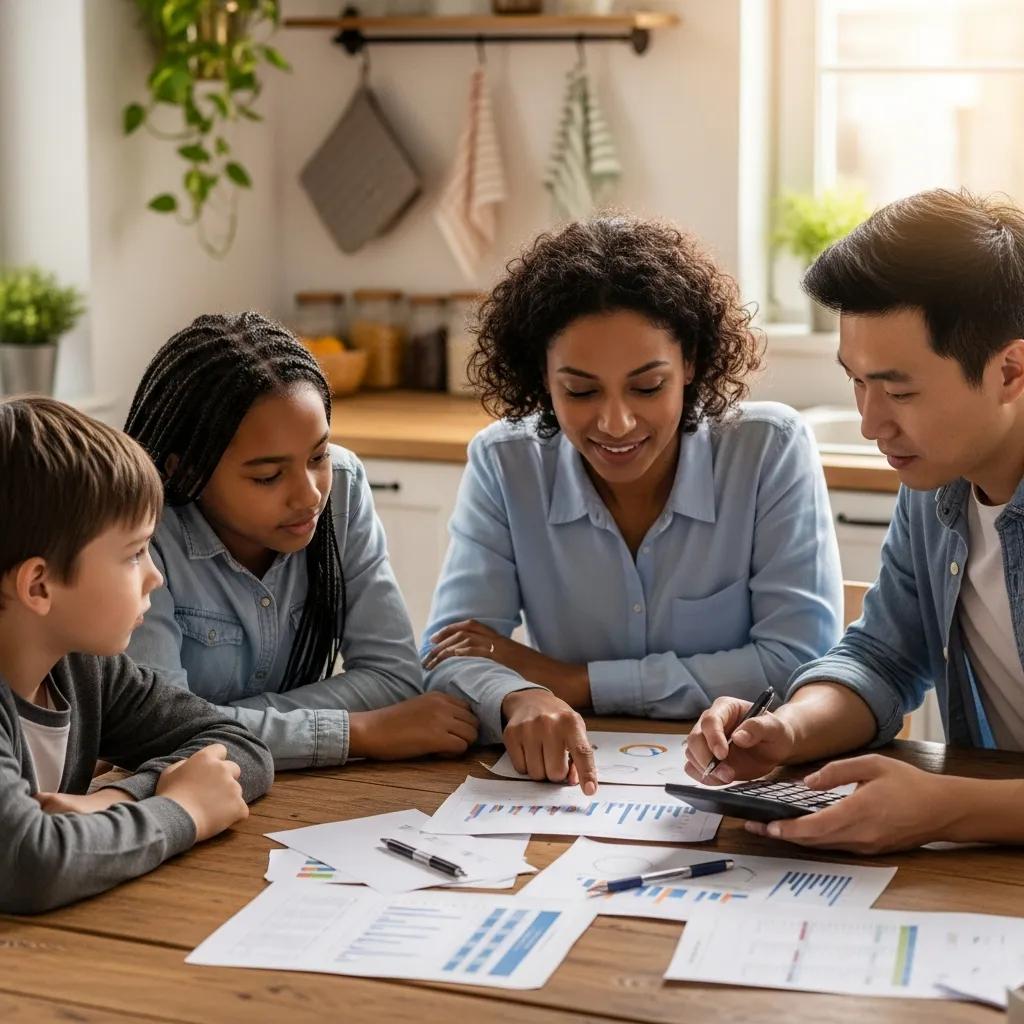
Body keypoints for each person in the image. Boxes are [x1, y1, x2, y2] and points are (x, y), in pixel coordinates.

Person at [422, 215, 843, 792]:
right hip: (567, 793)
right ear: (542, 377)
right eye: (580, 390)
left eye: (647, 387)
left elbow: (799, 664)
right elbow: (450, 656)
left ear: (690, 363)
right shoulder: (506, 463)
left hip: (738, 785)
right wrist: (519, 695)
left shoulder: (767, 450)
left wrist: (578, 682)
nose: (616, 423)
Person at [685, 188, 1024, 853]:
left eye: (899, 391)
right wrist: (787, 728)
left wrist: (946, 810)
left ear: (1011, 369)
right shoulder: (935, 485)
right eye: (857, 382)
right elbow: (886, 655)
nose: (871, 424)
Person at [125, 312, 477, 771]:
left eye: (318, 456)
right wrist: (362, 731)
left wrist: (219, 724)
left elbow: (394, 678)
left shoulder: (342, 487)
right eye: (268, 477)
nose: (310, 495)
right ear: (184, 470)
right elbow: (157, 730)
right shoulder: (138, 531)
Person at [0, 397, 273, 914]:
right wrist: (182, 808)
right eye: (133, 554)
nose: (155, 576)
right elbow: (30, 863)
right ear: (39, 585)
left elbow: (238, 745)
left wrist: (120, 797)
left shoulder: (81, 667)